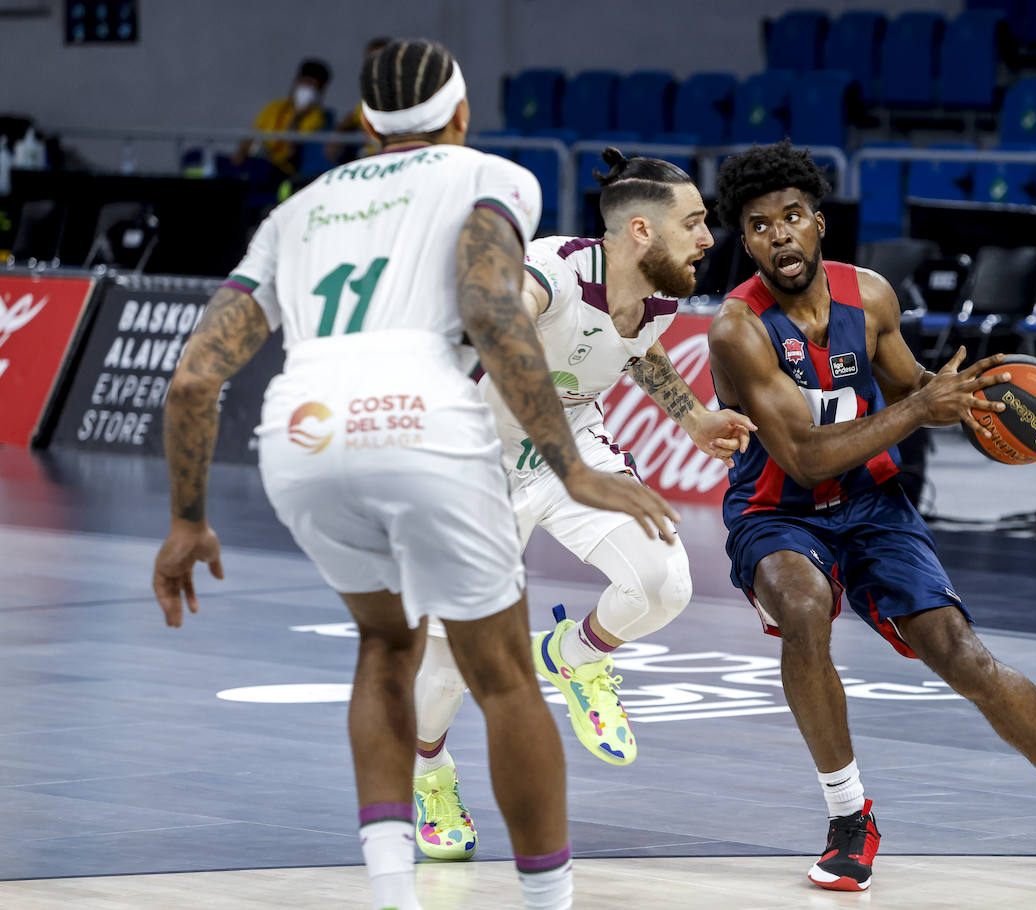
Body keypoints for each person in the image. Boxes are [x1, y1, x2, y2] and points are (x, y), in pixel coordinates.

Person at [152, 38, 678, 910]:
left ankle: (395, 891)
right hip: (422, 419)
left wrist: (186, 519)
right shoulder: (496, 180)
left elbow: (195, 377)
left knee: (384, 649)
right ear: (462, 116)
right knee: (504, 674)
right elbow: (490, 311)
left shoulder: (298, 208)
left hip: (301, 432)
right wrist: (569, 466)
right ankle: (551, 900)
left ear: (362, 124)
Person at [706, 140, 1036, 893]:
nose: (780, 236)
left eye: (793, 217)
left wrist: (966, 401)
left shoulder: (872, 296)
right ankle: (849, 817)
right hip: (779, 509)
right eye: (761, 225)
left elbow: (915, 386)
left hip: (872, 503)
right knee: (804, 607)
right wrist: (920, 408)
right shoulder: (737, 328)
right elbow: (802, 455)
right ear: (747, 240)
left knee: (962, 653)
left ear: (819, 223)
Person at [409, 148, 755, 860]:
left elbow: (641, 351)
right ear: (638, 231)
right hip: (475, 464)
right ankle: (429, 773)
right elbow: (502, 319)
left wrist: (691, 417)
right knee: (448, 665)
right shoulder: (552, 271)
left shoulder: (660, 293)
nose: (707, 239)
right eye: (693, 223)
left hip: (573, 447)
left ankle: (574, 654)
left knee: (665, 583)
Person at [234, 58, 333, 179]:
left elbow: (294, 151)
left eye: (316, 88)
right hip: (255, 161)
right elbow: (253, 134)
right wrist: (240, 153)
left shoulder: (317, 118)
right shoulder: (274, 107)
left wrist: (297, 117)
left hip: (281, 170)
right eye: (307, 83)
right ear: (297, 82)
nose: (310, 90)